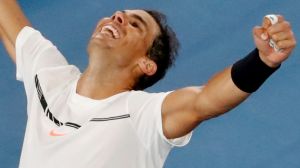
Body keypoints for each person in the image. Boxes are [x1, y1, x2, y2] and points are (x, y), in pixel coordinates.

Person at [0, 1, 296, 168]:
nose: (118, 16)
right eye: (120, 14)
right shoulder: (50, 78)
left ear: (146, 64)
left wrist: (263, 62)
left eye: (134, 24)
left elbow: (206, 100)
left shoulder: (142, 115)